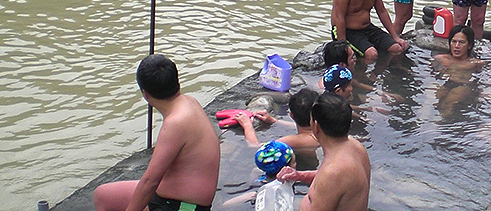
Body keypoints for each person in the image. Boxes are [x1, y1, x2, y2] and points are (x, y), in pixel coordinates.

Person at [93, 55, 220, 211]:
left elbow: (150, 181)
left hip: (182, 206)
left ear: (145, 94)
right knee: (102, 195)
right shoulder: (190, 101)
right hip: (169, 198)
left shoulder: (176, 123)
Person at [276, 93, 371, 211]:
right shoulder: (356, 147)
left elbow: (332, 178)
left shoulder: (332, 172)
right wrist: (299, 175)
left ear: (316, 126)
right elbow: (337, 182)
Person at [234, 88, 321, 169]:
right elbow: (306, 128)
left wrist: (247, 125)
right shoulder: (323, 130)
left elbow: (254, 147)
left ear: (291, 115)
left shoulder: (295, 141)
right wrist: (274, 121)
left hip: (303, 168)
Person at [433, 25, 484, 117]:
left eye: (461, 42)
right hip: (446, 83)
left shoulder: (476, 63)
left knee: (449, 103)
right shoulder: (440, 59)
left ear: (469, 45)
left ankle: (441, 126)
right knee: (432, 99)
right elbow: (430, 74)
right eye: (454, 41)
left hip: (464, 85)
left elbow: (484, 78)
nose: (457, 46)